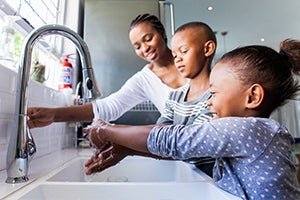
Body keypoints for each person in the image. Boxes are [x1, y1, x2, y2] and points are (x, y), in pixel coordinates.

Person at [84, 39, 300, 199]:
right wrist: (129, 148)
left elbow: (173, 140)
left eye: (214, 93)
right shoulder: (254, 132)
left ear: (252, 97)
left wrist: (105, 130)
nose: (209, 102)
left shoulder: (246, 129)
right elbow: (187, 149)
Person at [84, 21, 217, 176]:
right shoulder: (175, 98)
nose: (178, 59)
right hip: (193, 177)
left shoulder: (216, 97)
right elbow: (161, 138)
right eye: (175, 55)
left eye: (184, 51)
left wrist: (108, 131)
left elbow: (183, 142)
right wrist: (126, 149)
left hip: (215, 183)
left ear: (207, 49)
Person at [27, 13, 187, 128]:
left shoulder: (189, 57)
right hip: (190, 156)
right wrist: (54, 114)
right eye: (137, 47)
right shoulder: (143, 80)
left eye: (148, 39)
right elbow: (109, 107)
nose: (145, 49)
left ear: (163, 34)